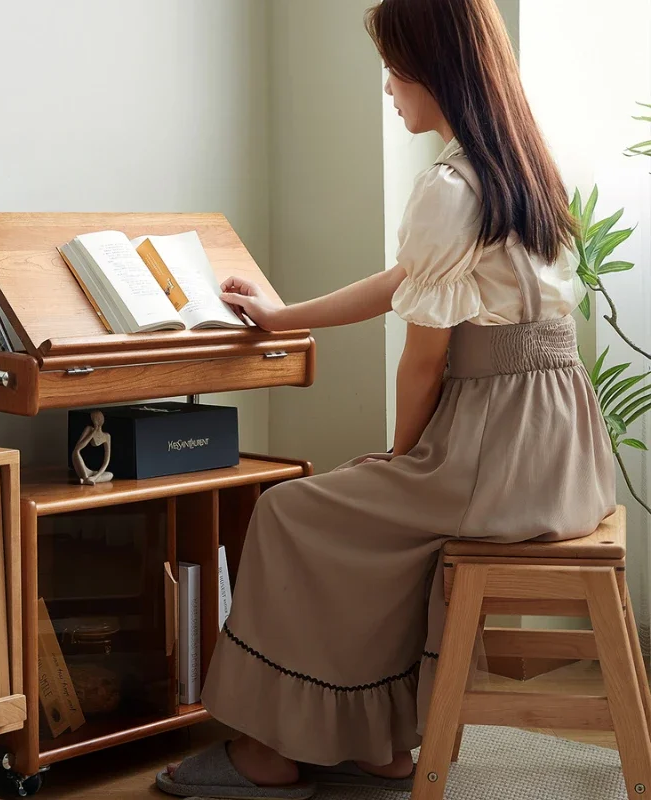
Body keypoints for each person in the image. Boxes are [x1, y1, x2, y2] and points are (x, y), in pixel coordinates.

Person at [157, 0, 616, 796]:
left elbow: (423, 362)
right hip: (561, 450)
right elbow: (409, 281)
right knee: (364, 524)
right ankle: (379, 746)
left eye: (393, 69)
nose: (387, 89)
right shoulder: (518, 170)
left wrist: (404, 456)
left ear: (432, 70)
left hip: (494, 453)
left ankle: (269, 753)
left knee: (290, 513)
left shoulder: (447, 187)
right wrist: (285, 316)